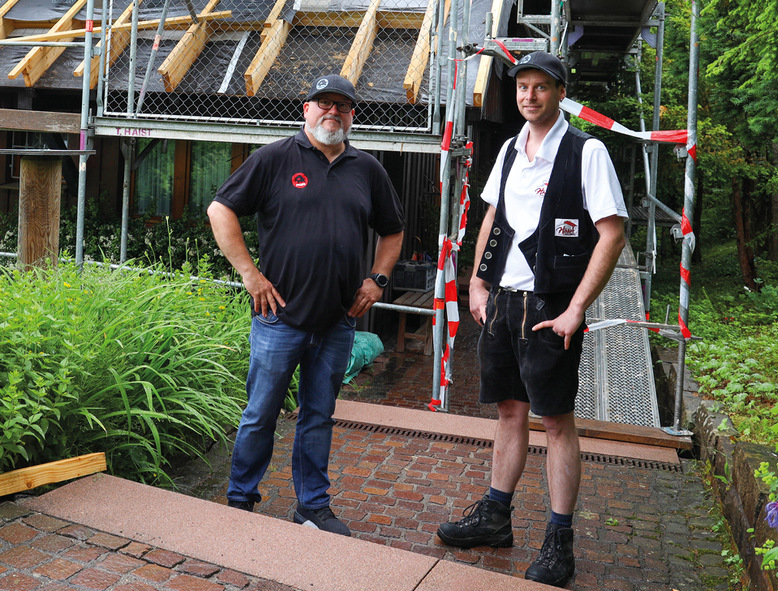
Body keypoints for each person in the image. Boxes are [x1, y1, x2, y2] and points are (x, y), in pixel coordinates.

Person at [436, 52, 627, 587]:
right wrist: (476, 280)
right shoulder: (508, 151)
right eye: (523, 87)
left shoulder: (587, 152)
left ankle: (559, 542)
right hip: (502, 302)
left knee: (558, 422)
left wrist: (575, 310)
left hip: (550, 307)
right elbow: (493, 218)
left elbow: (612, 232)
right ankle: (496, 518)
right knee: (509, 412)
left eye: (541, 87)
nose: (529, 96)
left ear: (561, 93)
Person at [207, 74, 404, 536]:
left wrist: (378, 280)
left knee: (318, 416)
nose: (331, 111)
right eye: (323, 103)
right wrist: (249, 274)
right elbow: (221, 209)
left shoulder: (367, 169)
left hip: (337, 321)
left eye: (341, 105)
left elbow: (392, 230)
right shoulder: (275, 158)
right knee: (260, 413)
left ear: (352, 114)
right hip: (279, 320)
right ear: (306, 110)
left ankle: (311, 507)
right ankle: (240, 499)